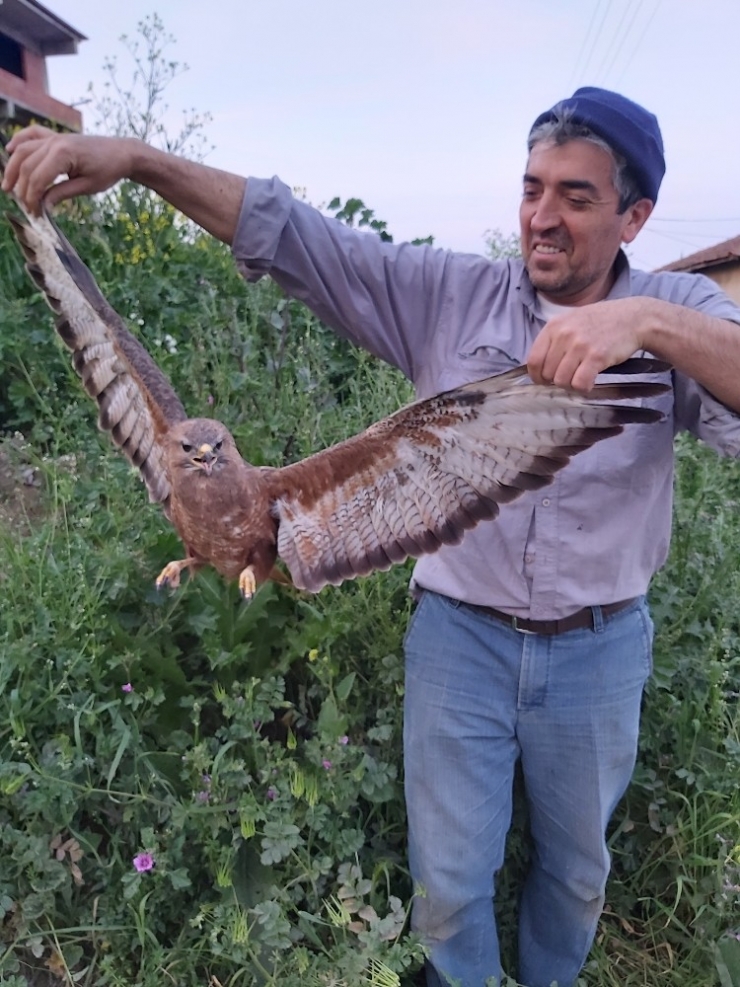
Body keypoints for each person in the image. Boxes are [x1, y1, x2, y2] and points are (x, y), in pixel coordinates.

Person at [4, 87, 740, 987]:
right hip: (459, 640)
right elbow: (294, 235)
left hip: (599, 646)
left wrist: (651, 324)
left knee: (579, 873)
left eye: (576, 197)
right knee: (449, 881)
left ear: (636, 216)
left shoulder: (683, 309)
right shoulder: (452, 296)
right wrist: (144, 163)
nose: (541, 216)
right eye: (531, 187)